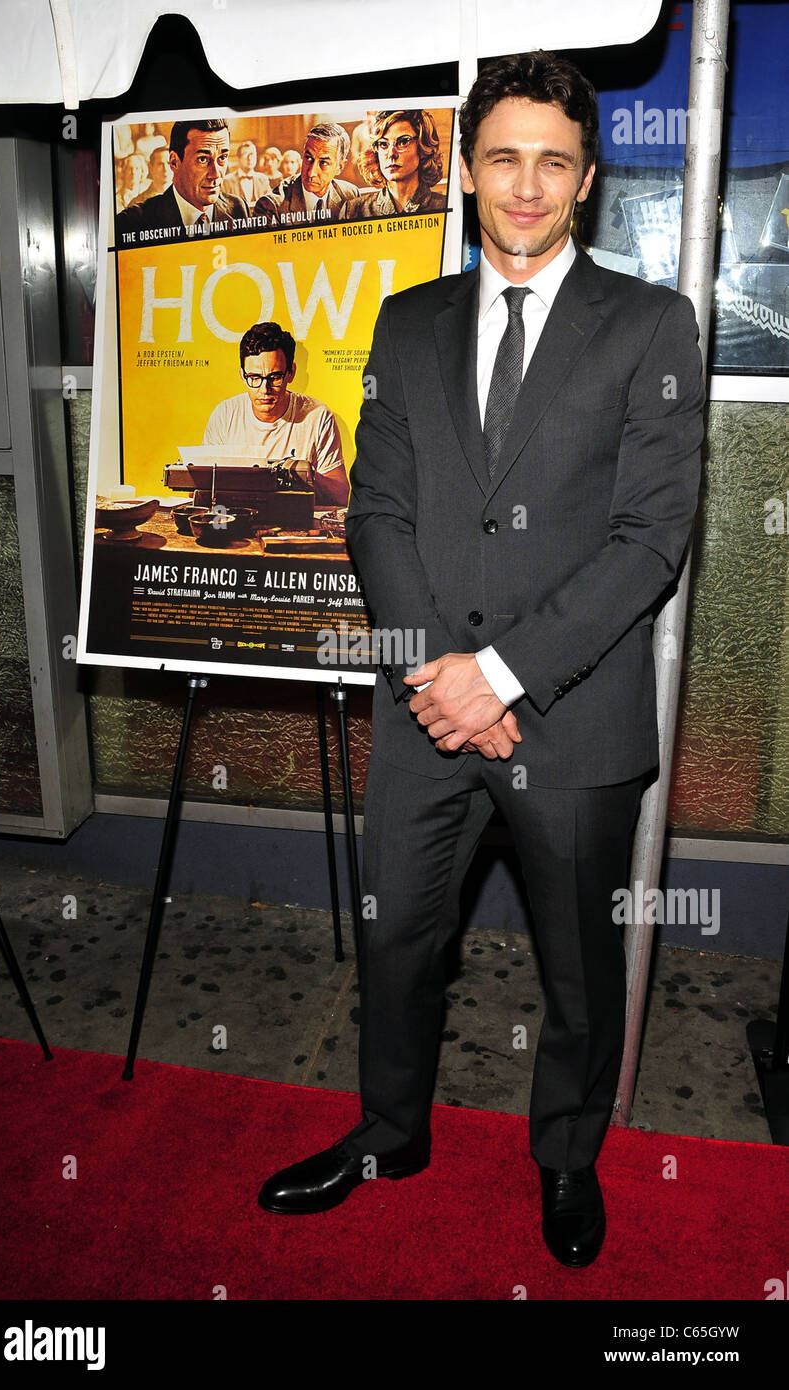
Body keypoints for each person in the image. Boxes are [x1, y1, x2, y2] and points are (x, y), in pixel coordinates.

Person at [257, 51, 705, 1269]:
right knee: (397, 935)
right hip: (423, 715)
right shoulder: (407, 324)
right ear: (465, 171)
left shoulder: (653, 325)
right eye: (502, 156)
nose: (525, 184)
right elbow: (375, 516)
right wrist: (441, 682)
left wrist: (498, 678)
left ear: (587, 179)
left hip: (575, 719)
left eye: (551, 161)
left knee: (577, 963)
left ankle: (564, 1157)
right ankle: (389, 1135)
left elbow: (650, 540)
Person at [202, 321, 349, 508]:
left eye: (274, 377)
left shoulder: (318, 417)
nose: (265, 389)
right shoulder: (224, 416)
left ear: (291, 373)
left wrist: (303, 475)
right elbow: (199, 491)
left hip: (294, 521)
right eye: (254, 378)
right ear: (242, 375)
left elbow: (340, 497)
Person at [115, 119, 247, 243]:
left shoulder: (237, 209)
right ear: (174, 162)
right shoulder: (133, 222)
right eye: (202, 159)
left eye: (222, 158)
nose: (216, 174)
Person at [340, 109, 448, 219]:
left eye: (403, 142)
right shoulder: (353, 212)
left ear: (422, 147)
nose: (391, 154)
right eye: (383, 144)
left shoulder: (445, 206)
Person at [254, 123, 358, 225]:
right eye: (308, 158)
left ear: (340, 167)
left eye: (323, 163)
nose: (311, 173)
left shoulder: (350, 195)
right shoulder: (271, 207)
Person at [222, 140, 273, 211]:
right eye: (246, 154)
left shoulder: (263, 179)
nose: (250, 158)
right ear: (238, 158)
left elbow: (270, 205)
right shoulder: (226, 181)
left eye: (252, 154)